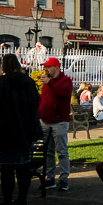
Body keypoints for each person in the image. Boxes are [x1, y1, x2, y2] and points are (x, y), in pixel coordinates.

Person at [0, 53, 41, 205]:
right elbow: (36, 101)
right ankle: (22, 199)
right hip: (26, 129)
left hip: (6, 129)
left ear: (3, 66)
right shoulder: (28, 81)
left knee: (7, 166)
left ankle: (7, 201)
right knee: (23, 166)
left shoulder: (1, 82)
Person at [39, 57, 73, 191]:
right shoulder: (47, 83)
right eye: (45, 67)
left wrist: (50, 83)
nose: (46, 69)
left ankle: (64, 179)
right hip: (46, 120)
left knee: (62, 151)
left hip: (59, 121)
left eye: (48, 67)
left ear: (57, 68)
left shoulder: (65, 81)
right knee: (48, 151)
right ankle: (50, 178)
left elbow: (63, 93)